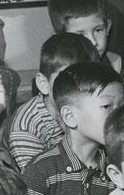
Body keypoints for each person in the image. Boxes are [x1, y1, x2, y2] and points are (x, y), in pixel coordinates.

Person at [24, 63, 124, 195]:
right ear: (70, 116)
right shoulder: (41, 171)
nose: (120, 116)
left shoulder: (119, 169)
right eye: (107, 107)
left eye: (122, 106)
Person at [9, 33, 101, 171]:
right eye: (65, 80)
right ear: (43, 84)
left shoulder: (94, 107)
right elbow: (39, 184)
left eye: (86, 80)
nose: (77, 90)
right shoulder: (26, 130)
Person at [47, 0, 124, 97]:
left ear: (108, 28)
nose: (93, 41)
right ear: (62, 40)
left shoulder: (116, 65)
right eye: (81, 35)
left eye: (98, 30)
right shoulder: (55, 74)